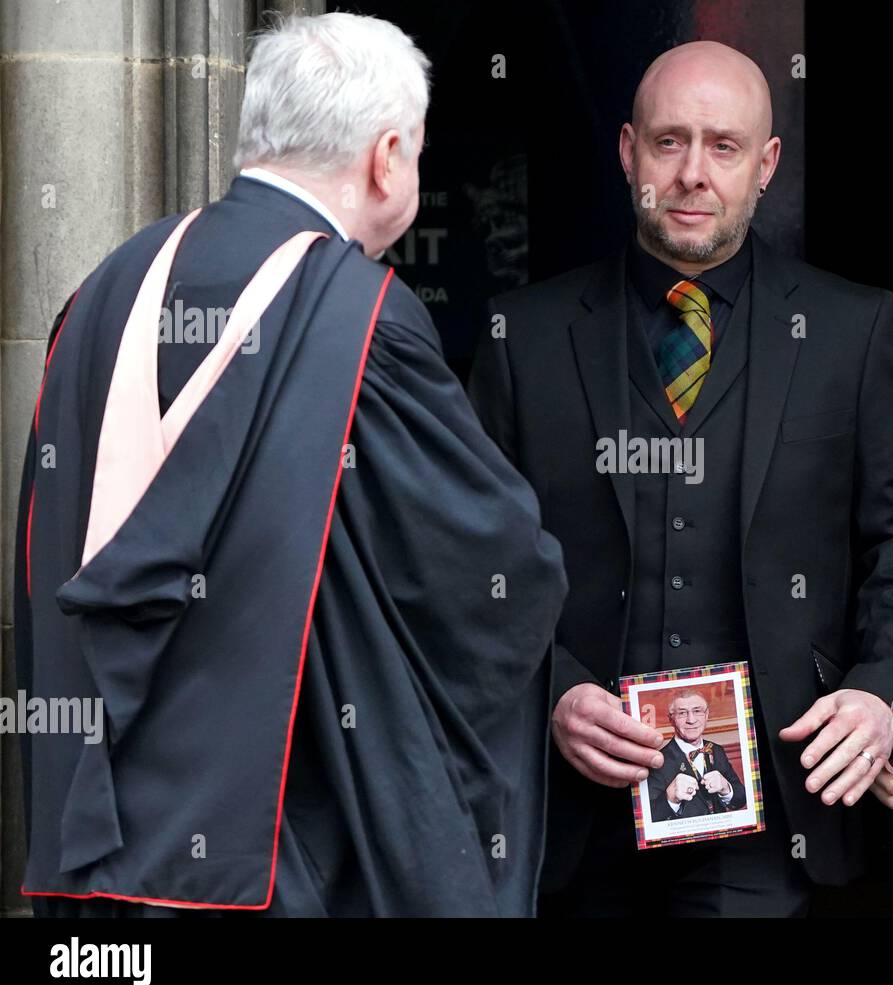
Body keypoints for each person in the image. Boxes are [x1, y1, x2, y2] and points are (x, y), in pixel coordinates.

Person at [15, 12, 567, 917]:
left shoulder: (100, 293)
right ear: (388, 157)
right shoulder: (356, 317)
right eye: (419, 154)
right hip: (277, 862)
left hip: (95, 853)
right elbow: (490, 576)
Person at [468, 40, 893, 917]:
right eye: (670, 143)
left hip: (780, 800)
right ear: (627, 152)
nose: (694, 172)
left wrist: (882, 692)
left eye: (724, 147)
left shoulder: (852, 333)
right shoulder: (522, 338)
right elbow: (468, 566)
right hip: (571, 820)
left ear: (766, 164)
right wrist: (549, 692)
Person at [647, 690, 747, 821]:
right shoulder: (658, 760)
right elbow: (648, 820)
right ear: (671, 719)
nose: (691, 720)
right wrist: (670, 799)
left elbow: (741, 800)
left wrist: (726, 788)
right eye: (682, 713)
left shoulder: (716, 750)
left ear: (706, 715)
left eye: (697, 711)